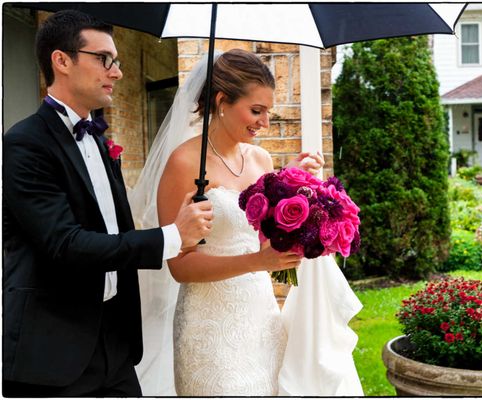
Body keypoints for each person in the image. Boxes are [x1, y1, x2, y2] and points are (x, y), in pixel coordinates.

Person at [2, 10, 213, 397]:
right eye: (104, 60)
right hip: (52, 352)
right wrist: (170, 237)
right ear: (61, 61)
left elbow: (116, 233)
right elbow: (65, 245)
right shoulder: (24, 144)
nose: (116, 72)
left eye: (115, 61)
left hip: (115, 343)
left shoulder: (99, 141)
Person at [130, 49, 325, 396]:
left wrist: (297, 195)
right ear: (222, 101)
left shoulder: (261, 159)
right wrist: (256, 262)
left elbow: (269, 241)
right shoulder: (184, 163)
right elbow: (179, 266)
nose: (265, 122)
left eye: (268, 111)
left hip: (262, 318)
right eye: (256, 110)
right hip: (208, 329)